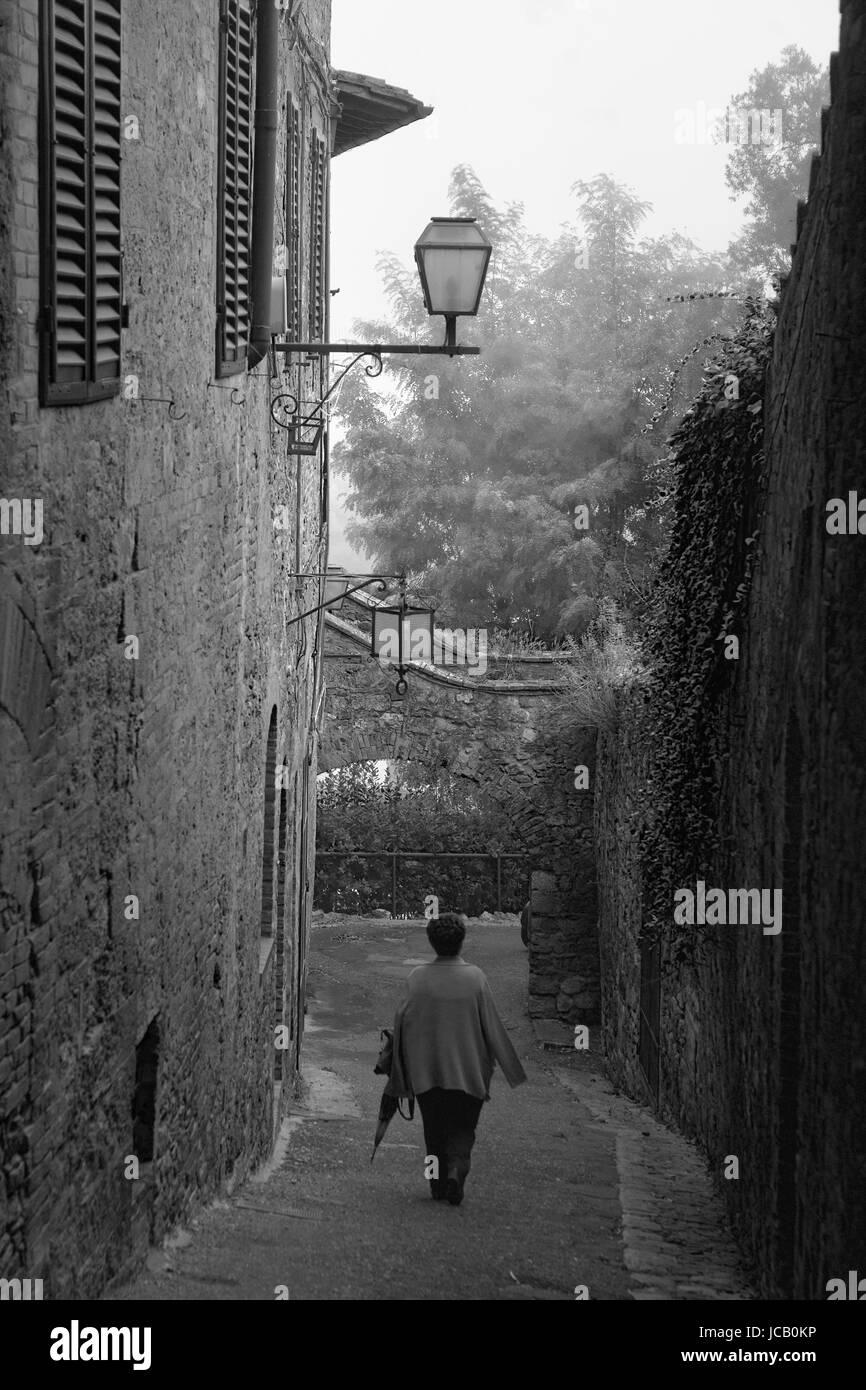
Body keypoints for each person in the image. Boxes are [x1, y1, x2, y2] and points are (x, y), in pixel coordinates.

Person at [386, 912, 527, 1206]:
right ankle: (457, 1168)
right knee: (463, 1129)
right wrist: (510, 1067)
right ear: (461, 942)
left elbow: (402, 1022)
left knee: (434, 1131)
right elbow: (492, 1025)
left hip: (428, 1073)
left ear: (432, 942)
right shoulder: (475, 978)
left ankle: (437, 1185)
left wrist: (397, 1072)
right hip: (469, 1073)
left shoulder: (418, 978)